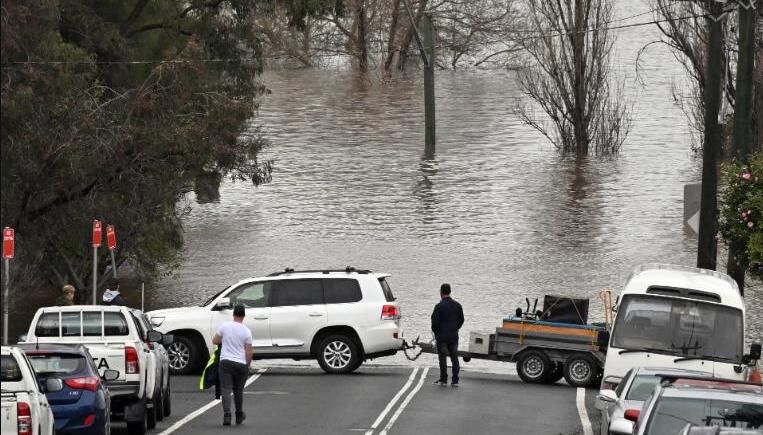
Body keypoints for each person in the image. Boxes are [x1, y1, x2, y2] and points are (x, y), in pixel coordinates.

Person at [212, 304, 252, 426]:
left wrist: (225, 340)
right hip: (240, 364)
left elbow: (215, 341)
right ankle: (239, 415)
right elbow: (249, 352)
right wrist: (247, 365)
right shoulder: (246, 331)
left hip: (225, 363)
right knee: (238, 390)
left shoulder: (224, 326)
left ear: (233, 314)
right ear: (244, 316)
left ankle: (227, 415)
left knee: (226, 389)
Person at [431, 283, 464, 387]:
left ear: (441, 292)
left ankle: (443, 380)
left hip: (442, 336)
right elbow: (461, 320)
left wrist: (436, 334)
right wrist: (455, 329)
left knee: (442, 358)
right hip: (453, 336)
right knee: (454, 358)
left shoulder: (439, 306)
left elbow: (434, 323)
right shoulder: (458, 305)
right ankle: (455, 380)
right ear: (450, 292)